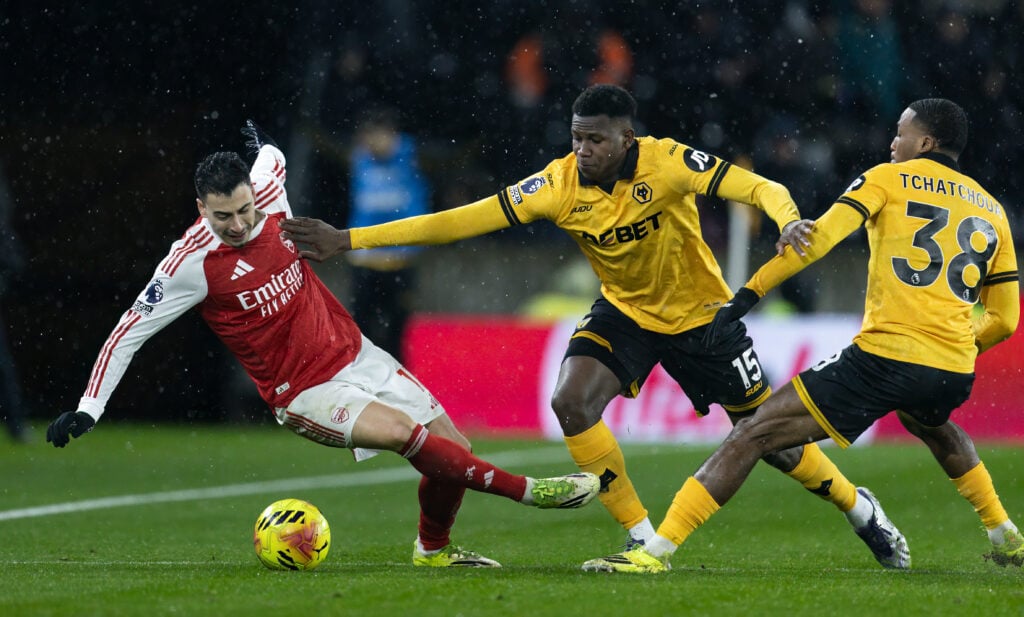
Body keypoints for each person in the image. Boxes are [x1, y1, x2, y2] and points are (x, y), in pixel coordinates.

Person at [279, 84, 909, 570]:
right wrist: (349, 240)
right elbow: (458, 220)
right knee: (571, 401)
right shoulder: (556, 184)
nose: (582, 150)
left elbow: (758, 186)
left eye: (596, 140)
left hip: (703, 320)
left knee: (770, 439)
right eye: (577, 138)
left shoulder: (666, 164)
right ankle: (638, 537)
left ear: (627, 138)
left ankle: (860, 508)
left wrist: (789, 219)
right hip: (625, 313)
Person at [45, 121, 600, 569]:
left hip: (357, 354)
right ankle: (530, 491)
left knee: (451, 447)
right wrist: (90, 407)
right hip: (303, 391)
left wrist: (260, 143)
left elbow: (274, 156)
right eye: (222, 216)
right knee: (407, 436)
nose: (238, 224)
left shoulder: (269, 190)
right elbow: (128, 332)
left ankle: (433, 551)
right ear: (200, 209)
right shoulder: (189, 264)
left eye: (244, 210)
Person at [581, 98, 1023, 573]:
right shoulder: (992, 208)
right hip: (952, 368)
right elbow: (1006, 319)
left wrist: (747, 296)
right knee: (932, 426)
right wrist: (957, 343)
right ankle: (1006, 534)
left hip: (885, 356)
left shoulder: (886, 179)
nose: (893, 141)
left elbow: (818, 240)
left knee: (751, 433)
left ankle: (655, 553)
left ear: (927, 143)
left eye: (902, 132)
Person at [344, 107, 431, 361]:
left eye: (379, 135)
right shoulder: (359, 157)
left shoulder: (412, 154)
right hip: (365, 259)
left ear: (393, 134)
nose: (374, 142)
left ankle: (400, 386)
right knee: (362, 331)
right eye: (369, 136)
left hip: (400, 259)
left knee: (397, 332)